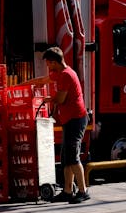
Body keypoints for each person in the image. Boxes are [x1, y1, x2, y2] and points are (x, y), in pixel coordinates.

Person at [26, 46, 90, 204]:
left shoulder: (66, 75)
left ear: (54, 62)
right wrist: (22, 85)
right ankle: (68, 191)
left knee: (73, 157)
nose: (47, 66)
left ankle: (83, 191)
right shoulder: (59, 73)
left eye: (48, 63)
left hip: (76, 119)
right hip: (70, 120)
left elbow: (60, 99)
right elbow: (42, 80)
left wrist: (49, 99)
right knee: (66, 158)